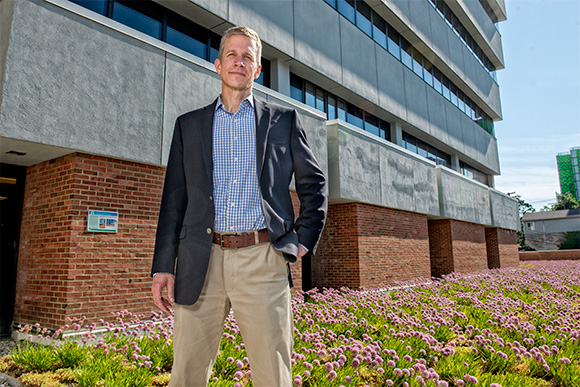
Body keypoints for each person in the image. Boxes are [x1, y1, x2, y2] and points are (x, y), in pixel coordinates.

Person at [150, 25, 327, 386]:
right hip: (201, 260)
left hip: (263, 260)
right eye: (232, 54)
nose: (239, 62)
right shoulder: (189, 125)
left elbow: (314, 185)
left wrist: (301, 241)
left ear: (257, 69)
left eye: (248, 56)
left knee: (272, 375)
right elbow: (174, 200)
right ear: (218, 65)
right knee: (186, 374)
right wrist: (163, 265)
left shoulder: (284, 122)